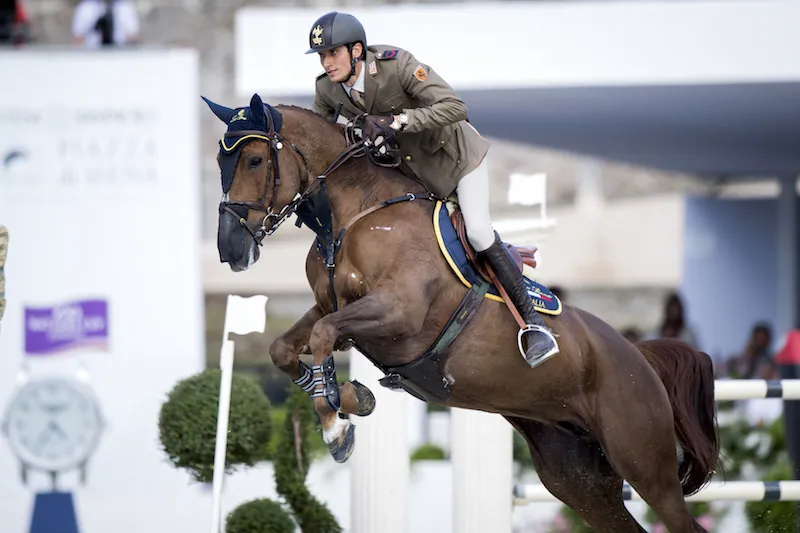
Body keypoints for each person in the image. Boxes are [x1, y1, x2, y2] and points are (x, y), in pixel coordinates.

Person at [306, 11, 558, 368]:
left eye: (333, 53)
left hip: (457, 163)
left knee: (478, 232)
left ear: (357, 50)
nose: (326, 63)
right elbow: (320, 143)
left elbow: (455, 107)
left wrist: (398, 121)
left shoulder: (396, 65)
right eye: (322, 56)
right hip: (412, 178)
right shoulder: (326, 89)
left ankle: (533, 324)